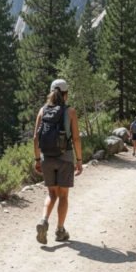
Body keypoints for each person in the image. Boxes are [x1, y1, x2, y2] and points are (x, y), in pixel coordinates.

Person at [33, 79, 83, 244]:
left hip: (47, 157)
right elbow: (75, 139)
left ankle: (43, 220)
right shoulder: (71, 112)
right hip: (65, 158)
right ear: (66, 94)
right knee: (63, 196)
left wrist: (37, 159)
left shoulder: (42, 110)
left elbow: (35, 138)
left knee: (51, 194)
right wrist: (80, 160)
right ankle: (60, 230)